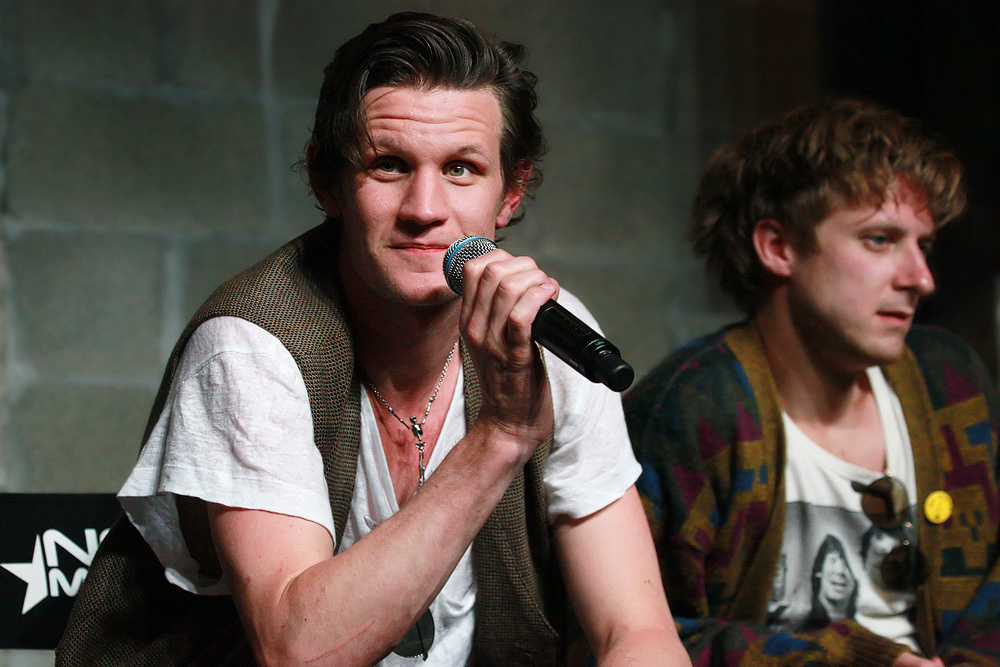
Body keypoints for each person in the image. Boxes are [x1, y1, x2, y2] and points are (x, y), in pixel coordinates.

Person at [57, 12, 688, 667]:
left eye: (462, 168)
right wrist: (500, 436)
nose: (425, 208)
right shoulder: (249, 346)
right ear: (327, 182)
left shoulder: (546, 330)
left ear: (511, 192)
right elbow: (298, 653)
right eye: (389, 165)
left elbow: (635, 632)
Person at [625, 98, 1000, 666]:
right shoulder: (695, 408)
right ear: (779, 248)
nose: (921, 278)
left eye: (922, 245)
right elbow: (631, 633)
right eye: (880, 239)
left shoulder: (947, 380)